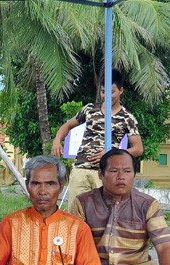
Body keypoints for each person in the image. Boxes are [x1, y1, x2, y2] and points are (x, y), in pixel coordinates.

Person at [0, 155, 103, 265]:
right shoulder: (11, 222)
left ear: (61, 186)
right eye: (36, 184)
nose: (42, 191)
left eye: (50, 184)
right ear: (27, 186)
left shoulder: (78, 228)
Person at [70, 148, 170, 265]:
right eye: (114, 171)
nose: (121, 177)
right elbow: (71, 245)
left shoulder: (148, 204)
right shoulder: (83, 202)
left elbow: (164, 246)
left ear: (134, 175)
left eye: (127, 171)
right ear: (101, 174)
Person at [51, 69, 142, 206]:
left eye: (111, 92)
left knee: (102, 214)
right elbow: (68, 125)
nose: (106, 96)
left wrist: (111, 153)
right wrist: (57, 140)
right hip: (80, 170)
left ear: (121, 90)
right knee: (76, 214)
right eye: (103, 92)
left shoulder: (127, 117)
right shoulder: (89, 109)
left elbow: (138, 149)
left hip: (105, 173)